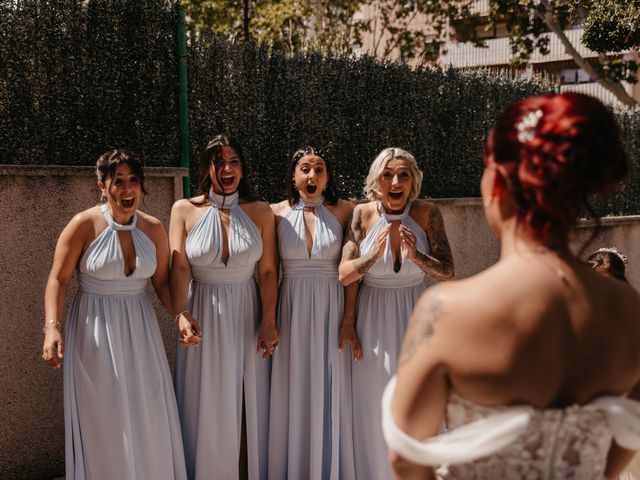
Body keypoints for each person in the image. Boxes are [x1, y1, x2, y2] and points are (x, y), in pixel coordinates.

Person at [384, 93, 640, 479]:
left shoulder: (449, 311)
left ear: (497, 182)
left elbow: (405, 459)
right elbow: (628, 437)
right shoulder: (627, 308)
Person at [41, 149, 187, 479]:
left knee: (147, 411)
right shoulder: (83, 224)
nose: (127, 189)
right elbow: (58, 278)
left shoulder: (153, 229)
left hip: (141, 330)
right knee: (104, 417)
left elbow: (162, 283)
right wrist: (52, 327)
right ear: (101, 186)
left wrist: (180, 314)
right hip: (93, 331)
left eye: (133, 180)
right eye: (117, 181)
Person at [339, 147, 454, 479]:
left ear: (413, 181)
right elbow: (345, 274)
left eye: (403, 174)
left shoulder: (427, 214)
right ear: (377, 181)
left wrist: (416, 254)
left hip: (415, 317)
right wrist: (370, 259)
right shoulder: (361, 216)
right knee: (374, 405)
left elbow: (447, 270)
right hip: (371, 318)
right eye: (388, 174)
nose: (395, 181)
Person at [170, 134, 278, 480]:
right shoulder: (184, 210)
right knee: (206, 400)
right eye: (219, 162)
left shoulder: (261, 211)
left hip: (248, 312)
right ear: (207, 169)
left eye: (233, 161)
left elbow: (268, 271)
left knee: (250, 399)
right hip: (203, 309)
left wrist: (269, 321)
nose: (227, 169)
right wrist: (181, 313)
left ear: (243, 168)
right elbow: (180, 267)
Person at [268, 146, 357, 479]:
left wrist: (349, 320)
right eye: (305, 169)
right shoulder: (273, 213)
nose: (312, 176)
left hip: (331, 308)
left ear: (327, 177)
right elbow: (268, 271)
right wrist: (269, 319)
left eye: (319, 169)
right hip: (289, 309)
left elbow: (351, 273)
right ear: (294, 176)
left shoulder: (346, 211)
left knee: (331, 384)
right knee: (292, 386)